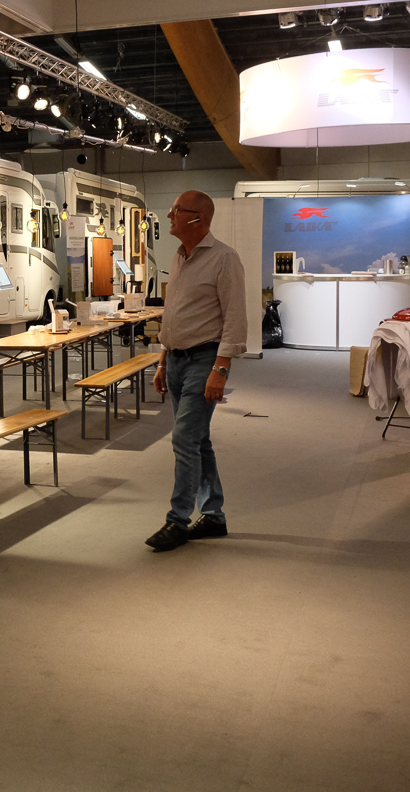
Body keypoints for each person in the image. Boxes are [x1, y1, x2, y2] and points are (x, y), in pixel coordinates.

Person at [145, 190, 248, 551]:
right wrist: (162, 361)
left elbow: (235, 318)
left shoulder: (224, 259)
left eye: (176, 210)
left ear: (197, 218)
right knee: (198, 440)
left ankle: (178, 520)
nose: (169, 215)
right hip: (175, 360)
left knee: (184, 439)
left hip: (204, 360)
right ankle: (214, 516)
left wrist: (221, 369)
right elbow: (173, 313)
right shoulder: (179, 257)